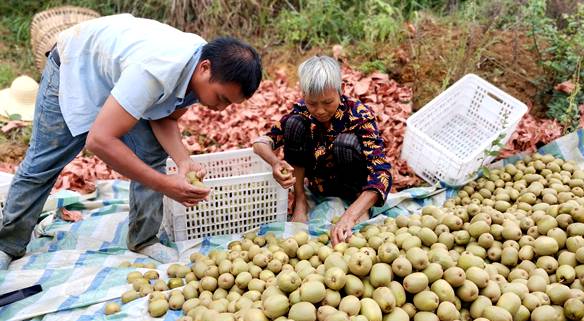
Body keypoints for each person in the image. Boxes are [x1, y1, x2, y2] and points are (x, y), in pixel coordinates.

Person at [0, 14, 262, 269]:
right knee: (45, 161)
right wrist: (164, 184)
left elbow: (165, 119)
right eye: (222, 98)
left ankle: (143, 238)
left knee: (151, 152)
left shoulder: (199, 75)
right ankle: (7, 244)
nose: (222, 108)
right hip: (77, 66)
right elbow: (100, 141)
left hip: (123, 77)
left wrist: (184, 161)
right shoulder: (156, 70)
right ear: (205, 68)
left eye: (230, 103)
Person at [253, 55, 392, 246]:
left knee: (346, 143)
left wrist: (349, 216)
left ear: (340, 90)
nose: (319, 111)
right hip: (318, 185)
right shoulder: (301, 111)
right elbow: (261, 143)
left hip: (353, 185)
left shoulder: (359, 115)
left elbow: (381, 172)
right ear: (304, 95)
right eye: (312, 103)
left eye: (327, 102)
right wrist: (275, 162)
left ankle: (357, 206)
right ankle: (301, 201)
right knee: (293, 125)